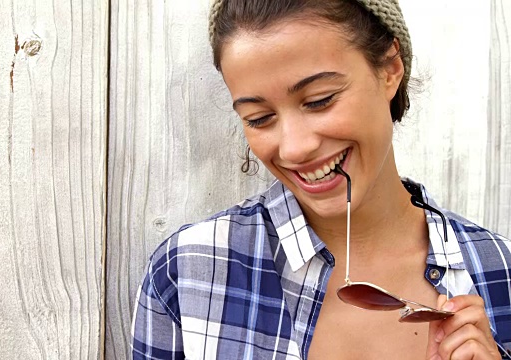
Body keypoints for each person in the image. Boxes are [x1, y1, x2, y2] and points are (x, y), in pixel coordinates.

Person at [131, 0, 511, 359]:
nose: (294, 149)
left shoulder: (500, 272)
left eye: (319, 99)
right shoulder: (189, 270)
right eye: (259, 118)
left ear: (390, 69)